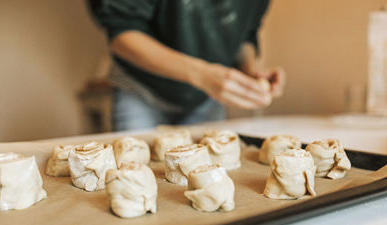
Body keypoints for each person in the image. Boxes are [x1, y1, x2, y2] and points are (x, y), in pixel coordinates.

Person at [88, 0, 285, 131]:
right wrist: (201, 74)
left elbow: (245, 35)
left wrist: (248, 73)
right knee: (134, 182)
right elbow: (122, 32)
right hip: (141, 91)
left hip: (206, 99)